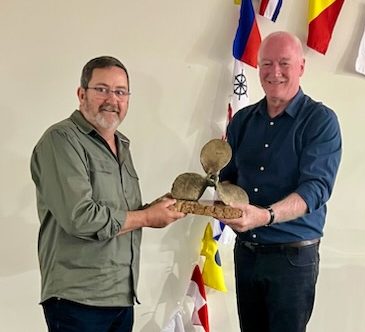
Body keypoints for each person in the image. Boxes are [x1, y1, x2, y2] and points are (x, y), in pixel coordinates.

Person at [30, 56, 185, 332]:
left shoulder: (121, 144)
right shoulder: (62, 140)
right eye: (101, 89)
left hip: (120, 297)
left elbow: (122, 214)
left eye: (120, 91)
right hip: (77, 300)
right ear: (81, 94)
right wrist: (148, 217)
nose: (112, 99)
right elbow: (80, 217)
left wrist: (157, 207)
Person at [219, 31, 342, 332]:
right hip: (246, 253)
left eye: (284, 63)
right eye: (266, 64)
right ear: (257, 67)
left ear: (301, 67)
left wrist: (266, 216)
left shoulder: (320, 121)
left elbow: (316, 188)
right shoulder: (242, 120)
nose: (274, 72)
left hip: (293, 259)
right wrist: (214, 202)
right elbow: (227, 179)